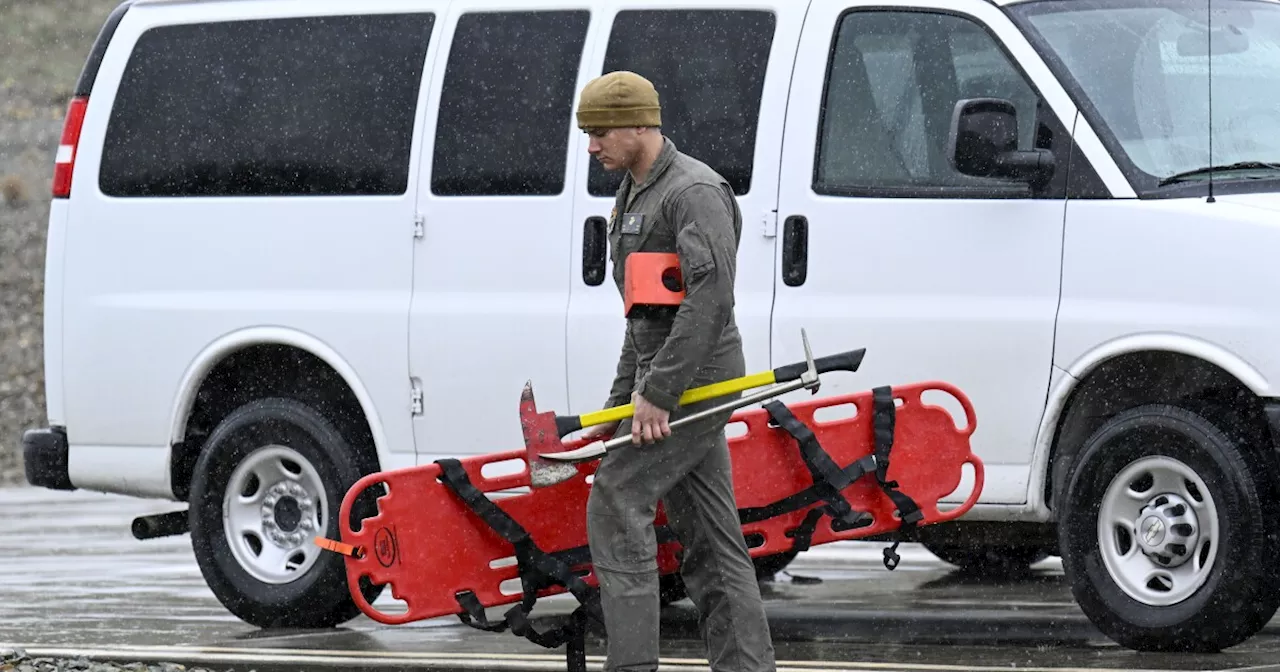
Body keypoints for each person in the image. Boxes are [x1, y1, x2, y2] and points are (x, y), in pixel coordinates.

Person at [574, 70, 776, 672]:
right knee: (711, 538)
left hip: (698, 379)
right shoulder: (634, 192)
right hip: (667, 377)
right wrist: (614, 411)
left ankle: (631, 665)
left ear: (641, 123)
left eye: (600, 132)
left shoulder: (693, 193)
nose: (591, 146)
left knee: (616, 497)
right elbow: (643, 321)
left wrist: (659, 394)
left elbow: (710, 302)